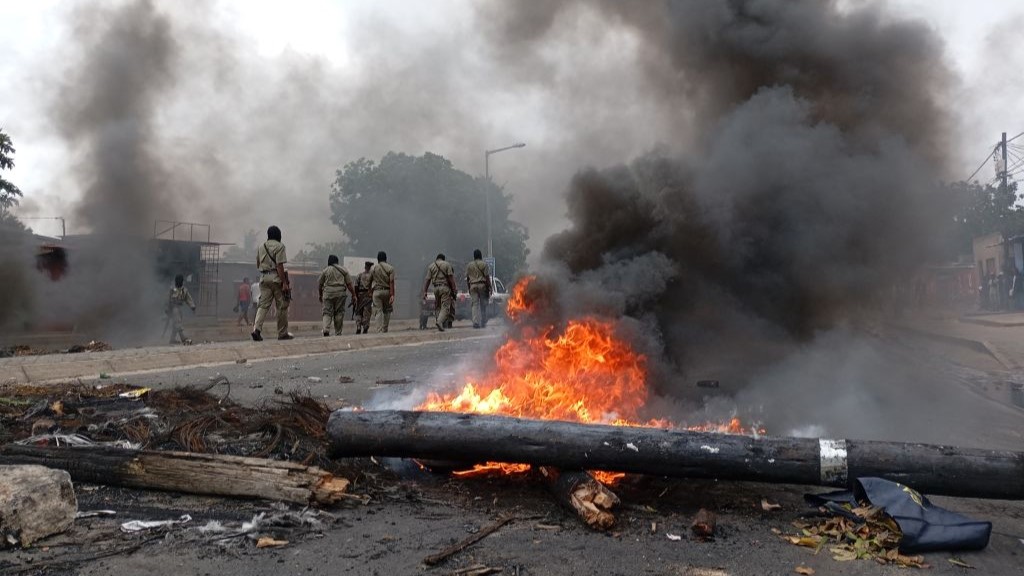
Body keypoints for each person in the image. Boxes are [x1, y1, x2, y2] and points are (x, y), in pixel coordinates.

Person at [252, 225, 292, 341]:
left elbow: (258, 264)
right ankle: (282, 333)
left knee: (263, 305)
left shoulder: (261, 246)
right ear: (278, 235)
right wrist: (284, 283)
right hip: (276, 278)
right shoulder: (280, 246)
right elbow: (279, 266)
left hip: (264, 278)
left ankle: (256, 330)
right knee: (282, 306)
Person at [318, 255, 356, 336]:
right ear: (337, 261)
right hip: (340, 293)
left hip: (328, 293)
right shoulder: (343, 270)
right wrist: (353, 295)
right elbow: (349, 284)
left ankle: (326, 329)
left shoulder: (325, 270)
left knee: (327, 312)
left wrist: (320, 295)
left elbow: (320, 285)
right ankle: (338, 332)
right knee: (339, 312)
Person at [422, 253, 457, 332]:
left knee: (438, 306)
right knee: (445, 307)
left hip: (435, 288)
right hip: (444, 288)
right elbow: (451, 279)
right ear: (443, 259)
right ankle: (439, 321)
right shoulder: (447, 265)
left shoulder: (431, 266)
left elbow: (427, 280)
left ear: (437, 258)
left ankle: (439, 322)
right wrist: (454, 290)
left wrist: (425, 292)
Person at [167, 274, 196, 345]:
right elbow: (167, 300)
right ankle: (184, 339)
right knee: (178, 323)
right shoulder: (172, 289)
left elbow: (188, 299)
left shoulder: (184, 290)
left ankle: (172, 339)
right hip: (173, 308)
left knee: (175, 325)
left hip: (179, 308)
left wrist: (192, 306)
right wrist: (167, 309)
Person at [370, 251, 396, 333]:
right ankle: (385, 329)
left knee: (378, 311)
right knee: (387, 310)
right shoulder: (391, 268)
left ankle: (379, 330)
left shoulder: (374, 268)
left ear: (378, 259)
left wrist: (369, 292)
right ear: (386, 258)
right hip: (387, 291)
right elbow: (391, 282)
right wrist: (392, 295)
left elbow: (370, 281)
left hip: (377, 292)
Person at [465, 249, 491, 328]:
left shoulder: (469, 265)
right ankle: (483, 321)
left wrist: (469, 287)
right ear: (480, 255)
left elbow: (468, 278)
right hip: (482, 285)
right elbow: (487, 277)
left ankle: (475, 322)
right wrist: (490, 287)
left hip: (472, 285)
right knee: (483, 304)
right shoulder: (484, 264)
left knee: (474, 305)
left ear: (474, 256)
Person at [354, 261, 374, 334]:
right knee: (367, 312)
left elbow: (356, 286)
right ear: (370, 267)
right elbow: (374, 286)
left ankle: (358, 326)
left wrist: (355, 296)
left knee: (358, 311)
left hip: (359, 296)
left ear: (365, 267)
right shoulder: (372, 276)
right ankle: (365, 327)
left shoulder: (359, 275)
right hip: (368, 296)